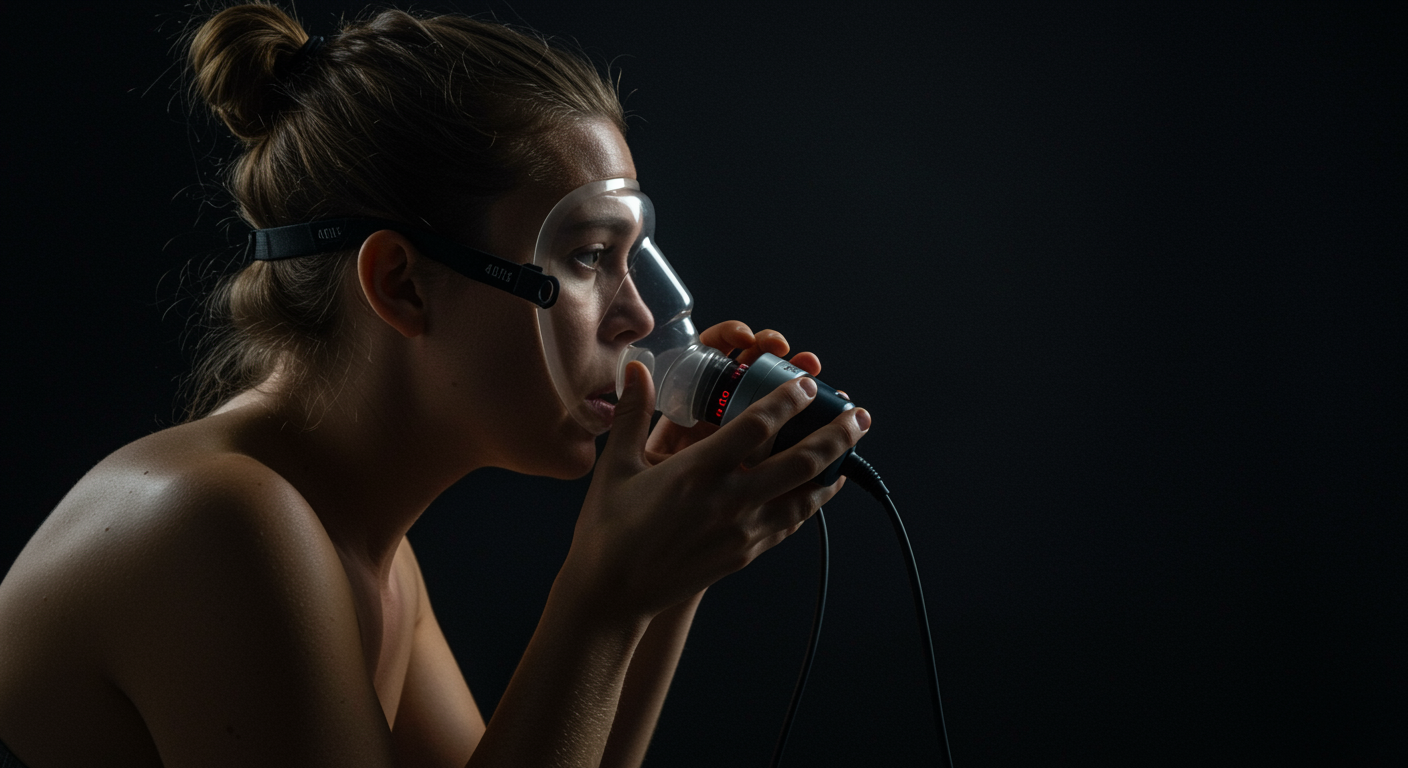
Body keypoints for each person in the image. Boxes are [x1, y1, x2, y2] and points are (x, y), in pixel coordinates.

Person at [0, 3, 869, 766]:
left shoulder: (363, 551)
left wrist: (660, 584)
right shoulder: (223, 522)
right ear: (404, 285)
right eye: (591, 257)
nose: (640, 316)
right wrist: (604, 598)